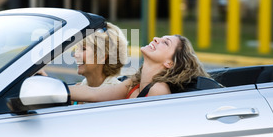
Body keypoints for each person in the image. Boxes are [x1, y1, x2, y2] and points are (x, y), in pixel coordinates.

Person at [69, 34, 209, 102]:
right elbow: (94, 94)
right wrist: (57, 88)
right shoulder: (134, 83)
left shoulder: (158, 90)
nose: (155, 38)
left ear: (170, 63)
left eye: (165, 43)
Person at [74, 22, 128, 88]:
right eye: (77, 48)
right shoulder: (82, 86)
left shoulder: (114, 92)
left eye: (83, 49)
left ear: (102, 56)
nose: (75, 55)